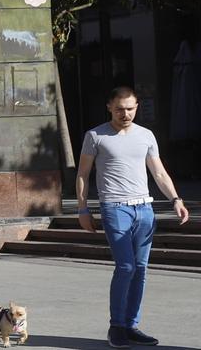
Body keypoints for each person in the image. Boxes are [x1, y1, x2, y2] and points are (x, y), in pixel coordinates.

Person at [76, 86, 191, 348]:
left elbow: (159, 173)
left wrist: (176, 199)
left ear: (136, 107)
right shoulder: (95, 135)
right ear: (109, 107)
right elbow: (83, 174)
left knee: (140, 269)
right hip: (115, 208)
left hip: (145, 209)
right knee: (126, 266)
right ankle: (116, 326)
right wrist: (83, 209)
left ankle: (131, 326)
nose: (125, 113)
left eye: (129, 108)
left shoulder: (146, 135)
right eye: (119, 109)